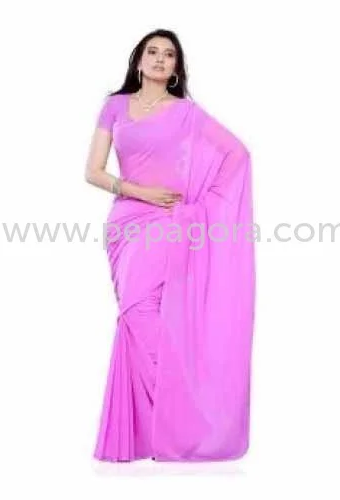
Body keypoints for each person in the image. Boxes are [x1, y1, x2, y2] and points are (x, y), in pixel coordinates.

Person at [85, 28, 256, 462]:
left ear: (176, 68)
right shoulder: (115, 106)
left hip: (168, 224)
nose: (160, 59)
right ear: (138, 61)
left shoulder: (187, 113)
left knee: (139, 310)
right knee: (136, 316)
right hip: (124, 223)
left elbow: (238, 154)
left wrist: (201, 205)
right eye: (152, 52)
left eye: (169, 55)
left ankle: (187, 416)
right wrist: (139, 191)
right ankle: (158, 430)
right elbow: (93, 172)